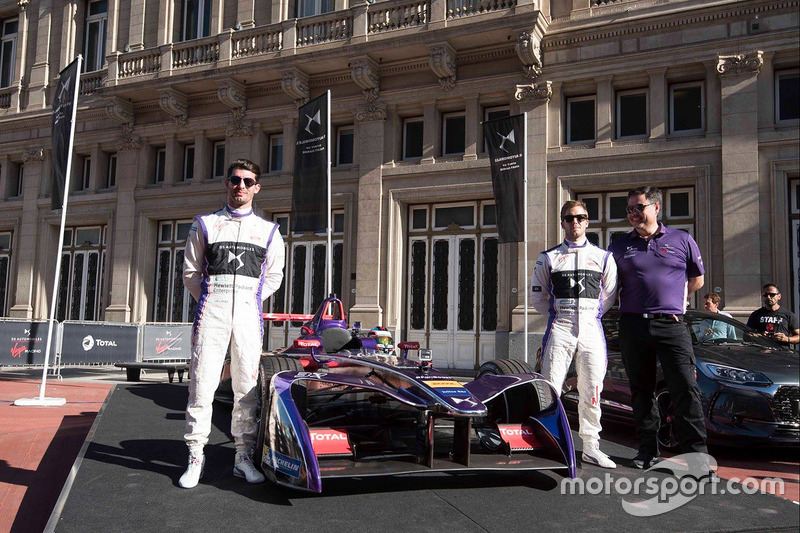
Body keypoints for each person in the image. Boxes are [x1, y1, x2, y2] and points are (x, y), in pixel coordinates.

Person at [179, 159, 286, 489]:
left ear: (257, 187)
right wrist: (212, 299)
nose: (240, 186)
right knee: (202, 386)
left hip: (248, 317)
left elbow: (274, 276)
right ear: (227, 183)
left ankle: (242, 456)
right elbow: (191, 274)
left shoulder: (269, 231)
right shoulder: (205, 224)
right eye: (235, 180)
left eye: (247, 181)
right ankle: (195, 456)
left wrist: (250, 299)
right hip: (212, 314)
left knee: (246, 389)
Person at [609, 186, 708, 470]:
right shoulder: (618, 245)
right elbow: (609, 287)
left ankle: (697, 459)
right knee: (641, 391)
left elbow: (697, 279)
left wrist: (677, 303)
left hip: (671, 326)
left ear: (656, 208)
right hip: (632, 325)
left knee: (685, 389)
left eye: (638, 207)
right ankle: (647, 450)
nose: (633, 214)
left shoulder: (682, 239)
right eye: (629, 209)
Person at [531, 200, 618, 468]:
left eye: (580, 217)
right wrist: (558, 316)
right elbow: (538, 296)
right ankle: (550, 440)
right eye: (569, 218)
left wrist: (591, 316)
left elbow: (610, 294)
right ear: (562, 223)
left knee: (591, 388)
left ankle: (591, 447)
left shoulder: (604, 257)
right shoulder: (549, 257)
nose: (575, 223)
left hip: (592, 328)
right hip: (561, 327)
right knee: (551, 386)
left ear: (588, 221)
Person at [746, 284, 799, 348]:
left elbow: (798, 336)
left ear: (779, 296)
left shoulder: (788, 315)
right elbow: (746, 335)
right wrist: (760, 336)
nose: (768, 297)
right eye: (765, 295)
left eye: (772, 295)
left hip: (782, 353)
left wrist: (786, 339)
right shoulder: (756, 314)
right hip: (761, 353)